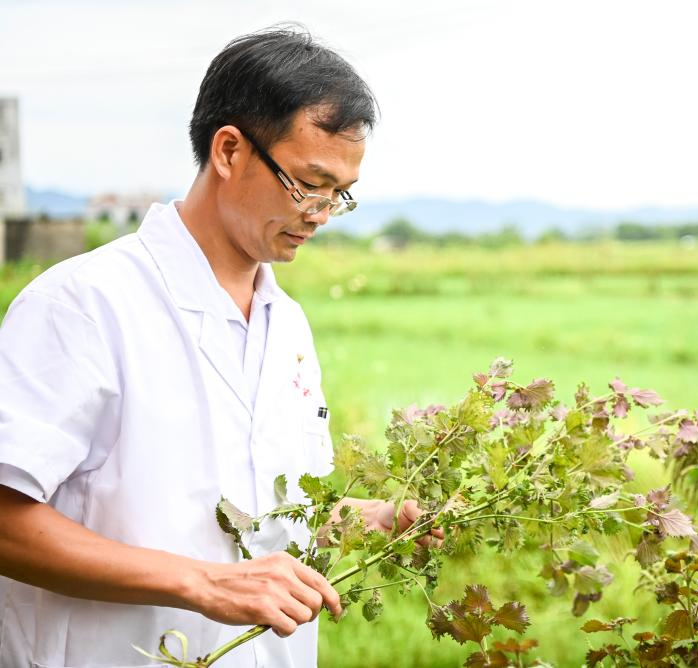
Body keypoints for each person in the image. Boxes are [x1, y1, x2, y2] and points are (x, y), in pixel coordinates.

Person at [0, 27, 439, 667]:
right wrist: (203, 583)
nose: (320, 212)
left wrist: (356, 520)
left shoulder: (286, 326)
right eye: (309, 183)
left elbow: (249, 510)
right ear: (230, 150)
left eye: (339, 194)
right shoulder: (83, 305)